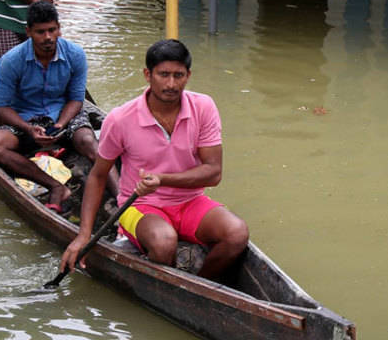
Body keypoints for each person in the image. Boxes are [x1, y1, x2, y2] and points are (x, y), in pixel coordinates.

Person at [60, 39, 249, 283]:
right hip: (139, 205)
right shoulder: (120, 119)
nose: (171, 84)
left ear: (188, 75)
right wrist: (83, 235)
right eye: (163, 75)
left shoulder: (204, 107)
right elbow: (97, 175)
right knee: (163, 243)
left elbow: (213, 172)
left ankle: (199, 286)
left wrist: (162, 179)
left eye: (178, 75)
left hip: (190, 201)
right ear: (148, 75)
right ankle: (174, 278)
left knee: (236, 234)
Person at [0, 1, 118, 212]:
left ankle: (123, 200)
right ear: (28, 32)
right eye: (40, 32)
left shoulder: (75, 55)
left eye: (52, 30)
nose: (47, 37)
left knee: (89, 142)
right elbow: (0, 106)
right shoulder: (11, 61)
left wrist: (60, 124)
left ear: (59, 28)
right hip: (26, 119)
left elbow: (76, 99)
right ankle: (55, 186)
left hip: (64, 115)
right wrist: (29, 129)